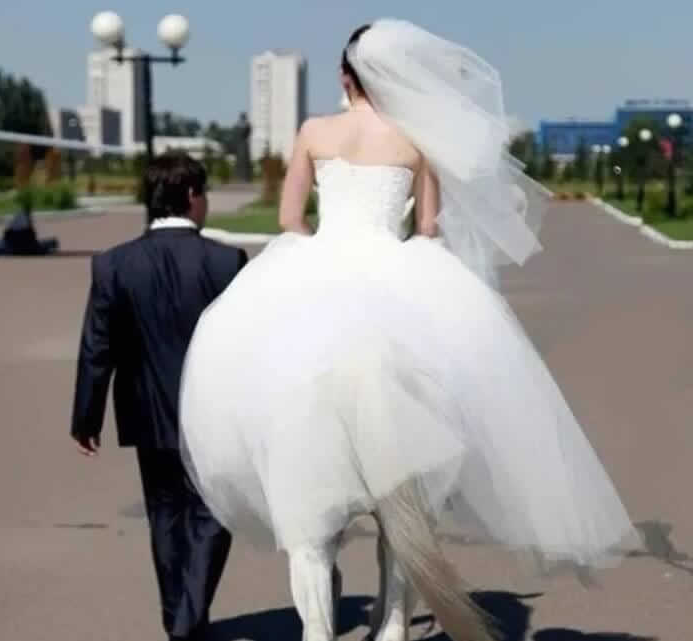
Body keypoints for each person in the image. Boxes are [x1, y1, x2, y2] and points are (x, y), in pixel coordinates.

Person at [179, 20, 640, 641]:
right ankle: (393, 624)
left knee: (283, 438)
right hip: (395, 271)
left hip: (316, 269)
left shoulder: (314, 132)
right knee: (409, 485)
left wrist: (319, 248)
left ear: (345, 77)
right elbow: (427, 227)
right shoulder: (417, 140)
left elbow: (290, 217)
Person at [71, 152, 247, 641]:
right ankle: (187, 621)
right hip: (213, 418)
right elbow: (248, 346)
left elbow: (97, 347)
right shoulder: (226, 262)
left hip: (147, 414)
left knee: (165, 516)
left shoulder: (113, 264)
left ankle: (179, 622)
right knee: (213, 514)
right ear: (192, 195)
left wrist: (86, 418)